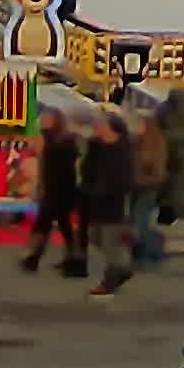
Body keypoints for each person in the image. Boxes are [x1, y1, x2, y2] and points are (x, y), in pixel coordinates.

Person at [20, 111, 85, 278]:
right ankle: (71, 260)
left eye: (47, 119)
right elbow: (43, 164)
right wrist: (41, 185)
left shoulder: (68, 140)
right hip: (53, 186)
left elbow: (72, 165)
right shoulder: (47, 137)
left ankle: (35, 257)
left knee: (48, 222)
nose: (43, 121)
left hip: (63, 186)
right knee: (57, 223)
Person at [80, 112, 136, 297]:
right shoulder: (97, 147)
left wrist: (109, 191)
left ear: (114, 129)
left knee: (109, 240)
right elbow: (87, 169)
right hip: (94, 199)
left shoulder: (123, 151)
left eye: (102, 124)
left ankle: (110, 281)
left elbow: (125, 180)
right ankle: (122, 267)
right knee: (94, 236)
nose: (98, 126)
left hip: (113, 201)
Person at [125, 96, 170, 267]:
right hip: (135, 185)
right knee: (134, 220)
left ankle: (152, 251)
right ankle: (146, 251)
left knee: (139, 220)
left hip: (149, 185)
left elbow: (156, 167)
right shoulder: (135, 141)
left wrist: (148, 176)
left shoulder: (155, 141)